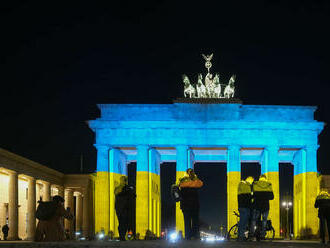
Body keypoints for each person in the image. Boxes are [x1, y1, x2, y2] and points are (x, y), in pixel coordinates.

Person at [179, 168, 203, 240]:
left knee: (187, 221)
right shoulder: (195, 181)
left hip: (186, 204)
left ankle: (188, 236)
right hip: (194, 204)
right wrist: (194, 180)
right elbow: (200, 184)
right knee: (195, 221)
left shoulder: (182, 181)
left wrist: (190, 181)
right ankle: (195, 236)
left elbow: (181, 185)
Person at [251, 174, 274, 239]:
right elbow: (272, 197)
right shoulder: (269, 184)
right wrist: (265, 196)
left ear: (259, 178)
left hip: (256, 205)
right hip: (265, 206)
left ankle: (252, 233)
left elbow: (253, 195)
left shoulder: (255, 184)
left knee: (254, 220)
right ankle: (263, 234)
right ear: (265, 178)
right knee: (264, 220)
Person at [115, 175, 136, 241]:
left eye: (125, 180)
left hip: (126, 208)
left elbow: (134, 195)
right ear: (121, 180)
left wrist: (130, 190)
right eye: (123, 180)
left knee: (125, 223)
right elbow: (117, 193)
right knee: (121, 223)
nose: (124, 181)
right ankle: (121, 236)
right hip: (120, 208)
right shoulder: (118, 188)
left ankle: (123, 236)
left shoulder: (128, 188)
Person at [237, 176, 254, 241]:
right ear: (250, 180)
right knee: (243, 222)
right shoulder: (246, 185)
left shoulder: (241, 184)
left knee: (242, 222)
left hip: (241, 206)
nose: (252, 183)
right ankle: (241, 236)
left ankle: (240, 235)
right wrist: (252, 195)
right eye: (252, 181)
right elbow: (247, 197)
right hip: (245, 206)